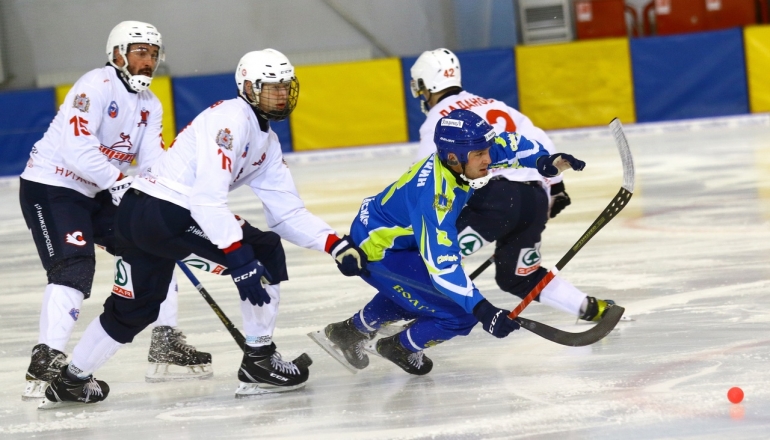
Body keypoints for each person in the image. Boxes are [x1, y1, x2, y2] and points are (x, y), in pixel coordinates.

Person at [39, 48, 368, 407]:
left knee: (136, 308)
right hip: (166, 213)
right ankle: (259, 361)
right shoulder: (230, 120)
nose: (280, 95)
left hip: (139, 214)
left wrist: (334, 243)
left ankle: (72, 380)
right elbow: (207, 200)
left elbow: (286, 212)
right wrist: (240, 259)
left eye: (285, 87)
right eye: (270, 87)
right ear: (247, 87)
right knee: (263, 250)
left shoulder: (266, 141)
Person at [19, 21, 211, 401]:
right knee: (74, 267)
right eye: (141, 52)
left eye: (154, 55)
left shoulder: (150, 104)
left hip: (98, 190)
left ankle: (165, 338)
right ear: (118, 54)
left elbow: (154, 161)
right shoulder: (96, 85)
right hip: (53, 186)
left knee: (157, 242)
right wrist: (120, 183)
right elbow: (77, 149)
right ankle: (46, 359)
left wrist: (170, 197)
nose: (149, 61)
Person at [314, 109, 587, 375]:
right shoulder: (436, 200)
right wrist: (483, 310)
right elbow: (443, 269)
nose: (487, 159)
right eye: (479, 154)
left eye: (486, 150)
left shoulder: (462, 158)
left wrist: (545, 161)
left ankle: (349, 331)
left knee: (422, 291)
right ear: (454, 157)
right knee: (460, 314)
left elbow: (512, 144)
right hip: (377, 252)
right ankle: (399, 346)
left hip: (392, 237)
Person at [409, 48, 616, 323]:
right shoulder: (493, 103)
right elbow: (539, 140)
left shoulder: (440, 119)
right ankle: (593, 309)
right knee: (517, 276)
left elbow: (425, 178)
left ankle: (389, 317)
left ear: (427, 84)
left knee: (428, 257)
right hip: (533, 199)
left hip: (491, 200)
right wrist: (555, 188)